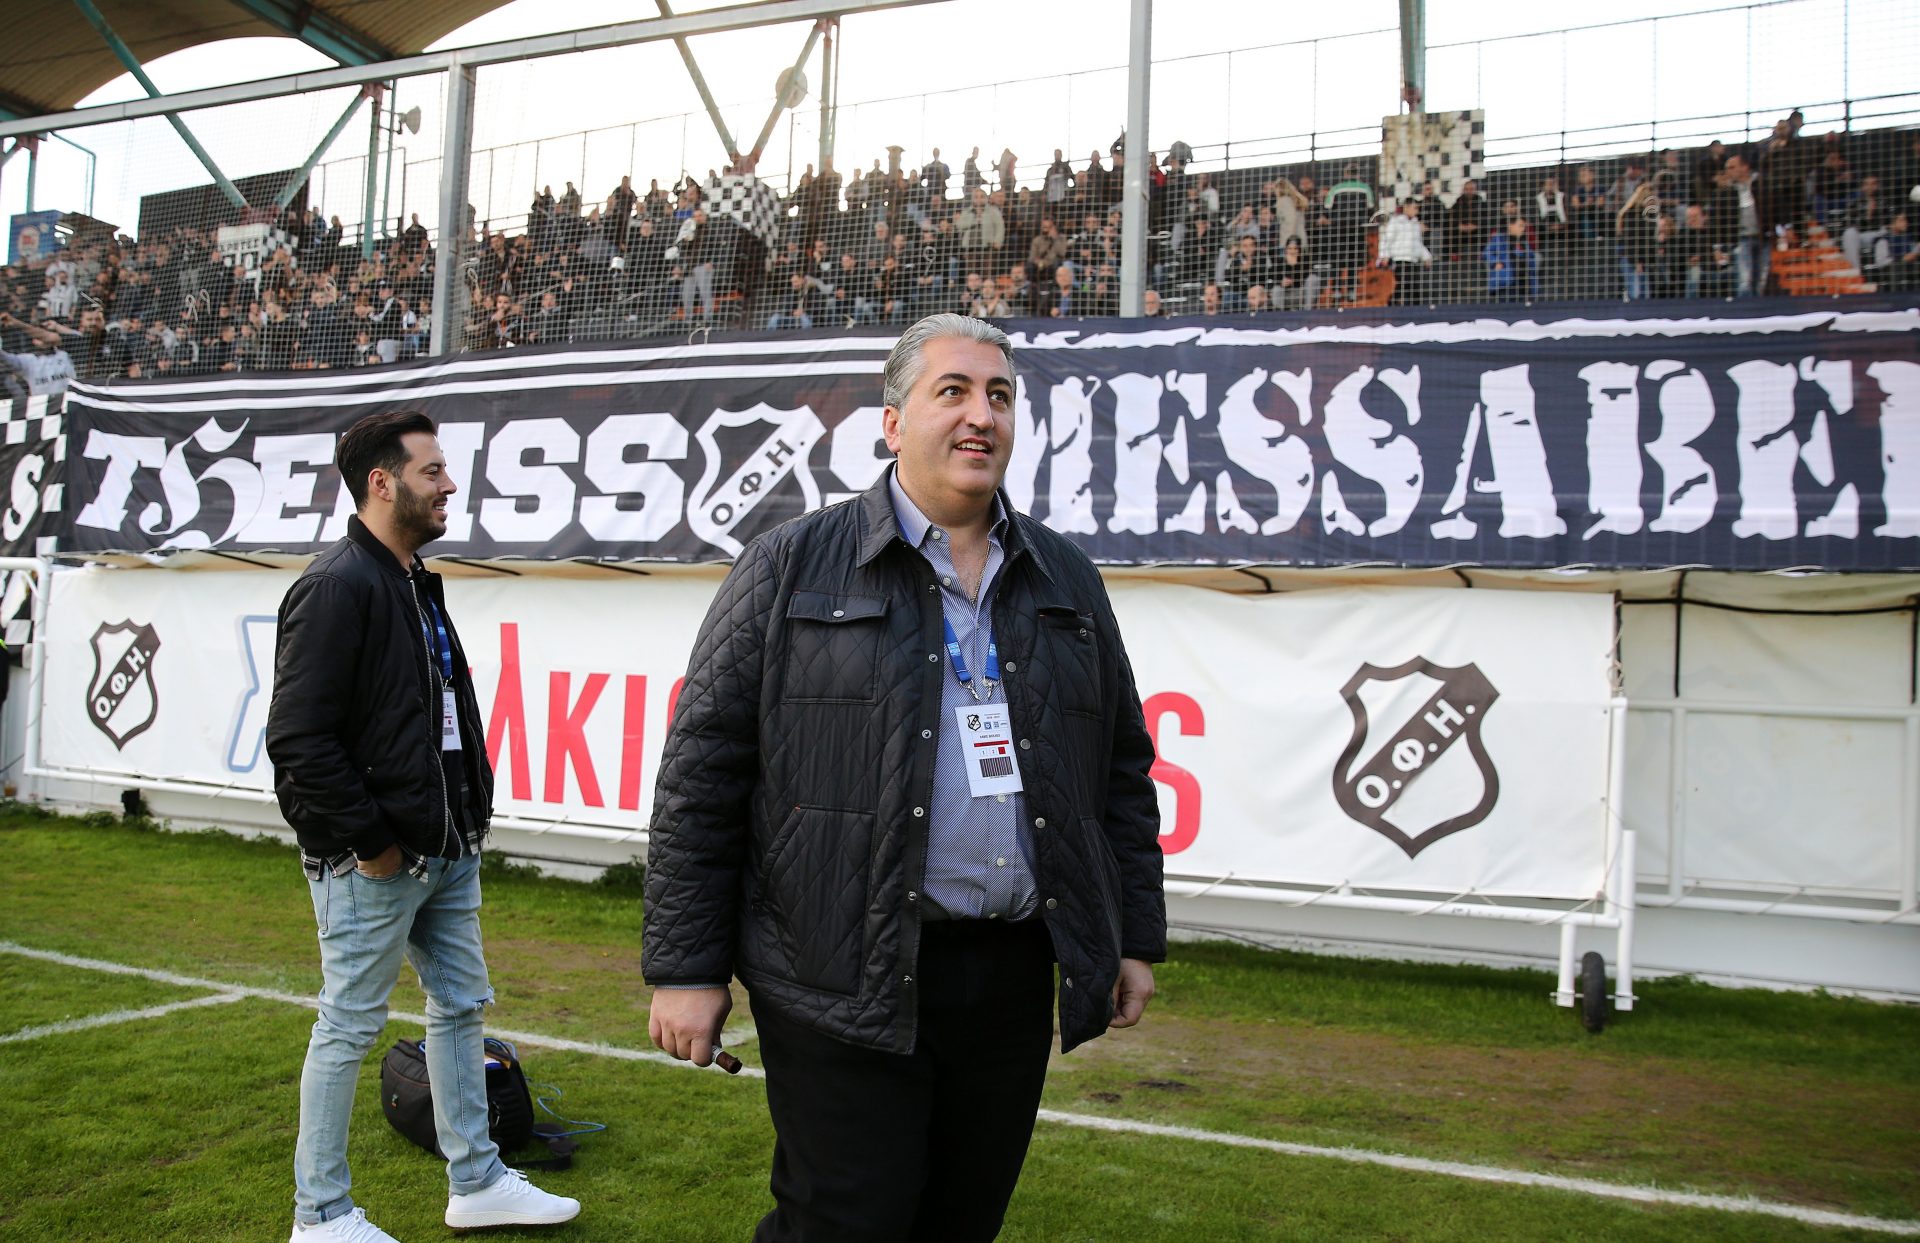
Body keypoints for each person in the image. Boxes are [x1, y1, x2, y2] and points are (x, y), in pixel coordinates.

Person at [643, 313, 1165, 1243]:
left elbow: (1120, 772)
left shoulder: (1067, 578)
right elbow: (702, 774)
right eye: (952, 391)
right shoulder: (790, 564)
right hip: (839, 966)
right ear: (892, 423)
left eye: (999, 395)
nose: (981, 416)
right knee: (843, 1224)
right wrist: (686, 968)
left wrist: (1129, 935)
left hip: (1009, 974)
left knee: (961, 1222)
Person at [267, 412, 580, 1243]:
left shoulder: (412, 579)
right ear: (382, 481)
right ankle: (320, 1217)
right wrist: (371, 842)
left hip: (444, 849)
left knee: (461, 1007)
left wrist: (462, 824)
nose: (448, 484)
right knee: (348, 1025)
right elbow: (299, 739)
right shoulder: (337, 585)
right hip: (377, 859)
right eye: (432, 471)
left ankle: (476, 1180)